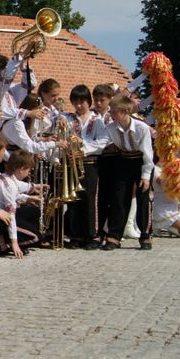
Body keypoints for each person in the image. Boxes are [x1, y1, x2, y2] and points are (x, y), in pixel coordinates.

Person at [100, 94, 154, 251]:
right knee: (119, 198)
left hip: (141, 162)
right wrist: (83, 148)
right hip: (123, 161)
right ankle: (114, 236)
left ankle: (145, 235)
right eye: (111, 111)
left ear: (125, 111)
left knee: (143, 198)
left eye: (114, 111)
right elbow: (100, 144)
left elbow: (148, 154)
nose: (111, 114)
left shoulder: (141, 128)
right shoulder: (110, 128)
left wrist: (145, 177)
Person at [63, 85, 110, 249]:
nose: (78, 105)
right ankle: (75, 235)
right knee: (73, 198)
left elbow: (103, 140)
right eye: (75, 102)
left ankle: (91, 235)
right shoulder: (68, 119)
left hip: (90, 163)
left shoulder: (96, 120)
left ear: (88, 101)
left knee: (90, 199)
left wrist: (83, 149)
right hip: (72, 163)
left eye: (81, 101)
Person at [0, 150, 44, 258]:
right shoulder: (9, 184)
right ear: (21, 169)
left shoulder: (9, 178)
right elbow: (11, 216)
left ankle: (22, 238)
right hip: (1, 219)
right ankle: (5, 244)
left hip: (5, 213)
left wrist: (28, 198)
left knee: (34, 211)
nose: (29, 173)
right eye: (28, 170)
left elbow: (15, 195)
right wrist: (14, 242)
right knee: (36, 238)